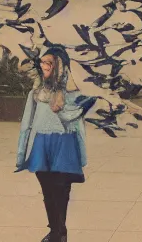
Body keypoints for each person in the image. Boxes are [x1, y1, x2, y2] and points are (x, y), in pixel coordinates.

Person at [15, 46, 94, 242]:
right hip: (41, 143)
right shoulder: (37, 91)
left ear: (58, 65)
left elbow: (77, 121)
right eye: (42, 62)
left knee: (61, 190)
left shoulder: (72, 92)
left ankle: (60, 232)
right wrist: (22, 151)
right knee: (48, 190)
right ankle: (55, 229)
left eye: (48, 63)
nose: (43, 67)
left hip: (64, 142)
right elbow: (27, 122)